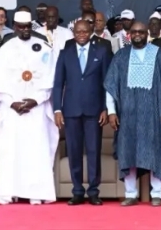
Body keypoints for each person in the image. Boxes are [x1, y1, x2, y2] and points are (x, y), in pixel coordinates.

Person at [104, 22, 161, 207]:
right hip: (127, 115)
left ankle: (157, 194)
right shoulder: (121, 56)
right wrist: (111, 111)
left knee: (156, 149)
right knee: (127, 151)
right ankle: (130, 193)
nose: (137, 34)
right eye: (134, 32)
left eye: (141, 32)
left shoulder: (160, 55)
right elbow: (110, 86)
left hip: (154, 114)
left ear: (147, 34)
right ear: (129, 34)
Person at [0, 11, 58, 205]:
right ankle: (8, 192)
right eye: (21, 27)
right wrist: (12, 102)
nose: (25, 30)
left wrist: (35, 100)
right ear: (15, 26)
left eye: (28, 26)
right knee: (11, 152)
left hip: (37, 110)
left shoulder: (44, 48)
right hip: (12, 111)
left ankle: (36, 193)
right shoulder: (5, 49)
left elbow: (50, 80)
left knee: (36, 151)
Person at [52, 20, 111, 206]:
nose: (82, 35)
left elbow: (107, 82)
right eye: (78, 32)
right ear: (73, 33)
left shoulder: (101, 51)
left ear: (91, 31)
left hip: (95, 110)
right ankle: (77, 191)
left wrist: (106, 108)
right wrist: (57, 109)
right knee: (74, 151)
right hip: (71, 110)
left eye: (85, 31)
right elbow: (58, 83)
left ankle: (93, 191)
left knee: (94, 151)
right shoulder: (65, 53)